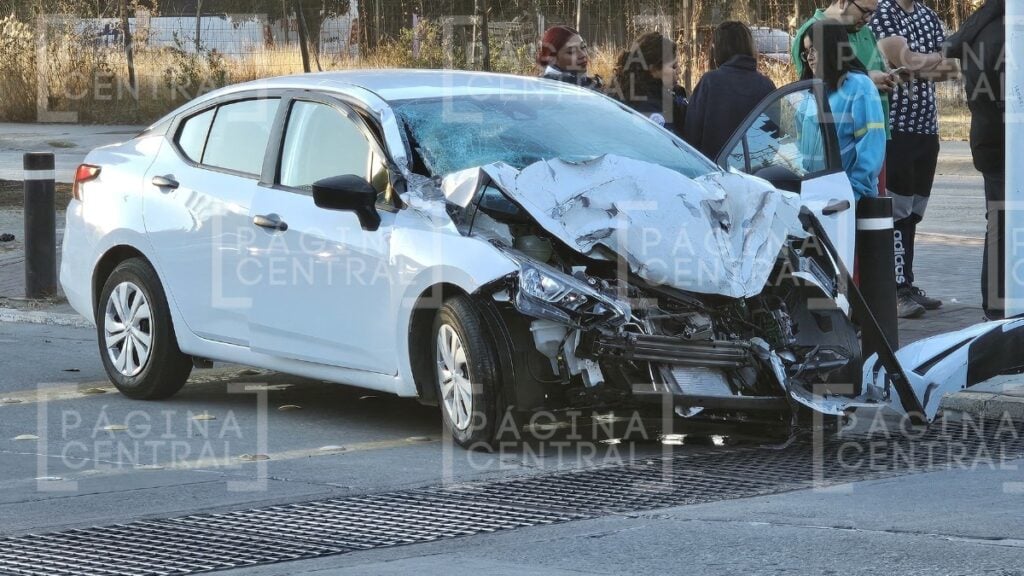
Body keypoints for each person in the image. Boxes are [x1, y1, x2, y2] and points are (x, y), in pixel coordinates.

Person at [870, 0, 961, 317]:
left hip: (927, 129)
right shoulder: (884, 11)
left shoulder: (929, 15)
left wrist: (923, 64)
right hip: (896, 128)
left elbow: (952, 67)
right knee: (896, 210)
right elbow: (901, 58)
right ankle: (894, 290)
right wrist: (930, 61)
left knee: (914, 212)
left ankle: (906, 283)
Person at [945, 0, 1005, 319]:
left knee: (998, 221)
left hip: (987, 139)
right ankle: (999, 310)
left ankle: (995, 308)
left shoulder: (980, 25)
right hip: (1007, 142)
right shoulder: (1009, 30)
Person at [798, 20, 886, 201]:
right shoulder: (808, 95)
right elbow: (800, 150)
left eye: (813, 49)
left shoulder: (860, 87)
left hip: (849, 203)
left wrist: (850, 193)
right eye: (806, 52)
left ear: (832, 47)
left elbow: (871, 147)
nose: (809, 57)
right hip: (813, 199)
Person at [683, 21, 776, 159]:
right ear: (749, 46)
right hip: (756, 174)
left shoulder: (709, 82)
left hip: (714, 173)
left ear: (718, 49)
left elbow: (691, 136)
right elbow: (773, 138)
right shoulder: (767, 85)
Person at [610, 32, 688, 138]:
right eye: (673, 67)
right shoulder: (648, 108)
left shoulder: (636, 93)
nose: (679, 71)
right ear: (653, 70)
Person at [537, 25, 603, 90]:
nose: (583, 55)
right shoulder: (553, 88)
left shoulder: (582, 82)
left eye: (583, 47)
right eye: (571, 52)